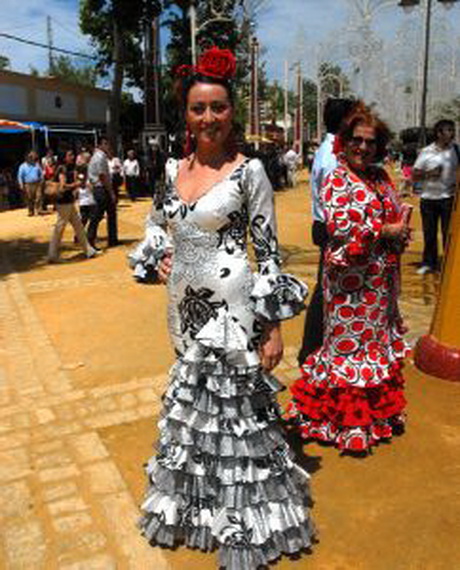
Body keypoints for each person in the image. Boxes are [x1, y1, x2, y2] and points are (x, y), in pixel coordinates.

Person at [129, 47, 315, 568]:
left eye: (218, 107)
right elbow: (153, 224)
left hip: (233, 314)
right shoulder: (170, 169)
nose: (208, 118)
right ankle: (200, 506)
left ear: (233, 111)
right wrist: (157, 255)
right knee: (196, 414)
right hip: (181, 309)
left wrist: (272, 327)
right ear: (185, 115)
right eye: (198, 108)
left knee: (237, 417)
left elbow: (269, 252)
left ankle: (246, 521)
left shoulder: (249, 172)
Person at [287, 102, 412, 453]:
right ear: (345, 140)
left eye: (370, 142)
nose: (363, 147)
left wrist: (400, 233)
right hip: (346, 286)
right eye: (357, 140)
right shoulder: (336, 178)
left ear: (379, 145)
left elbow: (394, 216)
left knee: (373, 346)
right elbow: (339, 226)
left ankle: (373, 418)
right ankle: (340, 423)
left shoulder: (381, 177)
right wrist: (386, 229)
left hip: (377, 284)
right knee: (347, 351)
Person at [298, 98, 355, 366]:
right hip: (331, 225)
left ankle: (316, 345)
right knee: (325, 289)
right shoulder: (333, 155)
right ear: (344, 121)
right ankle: (311, 349)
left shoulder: (330, 149)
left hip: (325, 224)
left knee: (327, 286)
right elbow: (335, 200)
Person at [413, 119, 459, 275]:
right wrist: (429, 173)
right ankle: (428, 263)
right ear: (439, 133)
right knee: (429, 234)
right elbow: (414, 175)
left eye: (453, 130)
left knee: (448, 234)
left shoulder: (456, 150)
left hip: (448, 199)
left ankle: (447, 265)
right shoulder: (426, 152)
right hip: (428, 200)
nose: (452, 134)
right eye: (449, 130)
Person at [47, 151, 100, 263]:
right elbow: (63, 186)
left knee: (78, 226)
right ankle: (52, 255)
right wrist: (76, 184)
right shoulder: (62, 169)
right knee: (60, 228)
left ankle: (88, 250)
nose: (72, 157)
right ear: (64, 157)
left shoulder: (68, 167)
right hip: (64, 202)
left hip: (68, 201)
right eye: (69, 155)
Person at [87, 137, 118, 248]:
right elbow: (102, 176)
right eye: (105, 144)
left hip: (100, 187)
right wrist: (111, 192)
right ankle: (90, 238)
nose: (107, 146)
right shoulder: (100, 157)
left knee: (110, 213)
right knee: (97, 215)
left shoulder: (97, 156)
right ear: (99, 145)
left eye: (107, 144)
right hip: (102, 188)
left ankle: (112, 239)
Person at [17, 151, 44, 216]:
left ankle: (38, 209)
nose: (31, 158)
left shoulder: (36, 165)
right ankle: (31, 211)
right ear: (26, 158)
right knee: (29, 198)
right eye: (29, 157)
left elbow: (41, 173)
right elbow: (20, 176)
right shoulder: (22, 166)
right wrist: (21, 184)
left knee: (39, 196)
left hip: (37, 183)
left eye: (31, 157)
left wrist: (42, 180)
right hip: (28, 184)